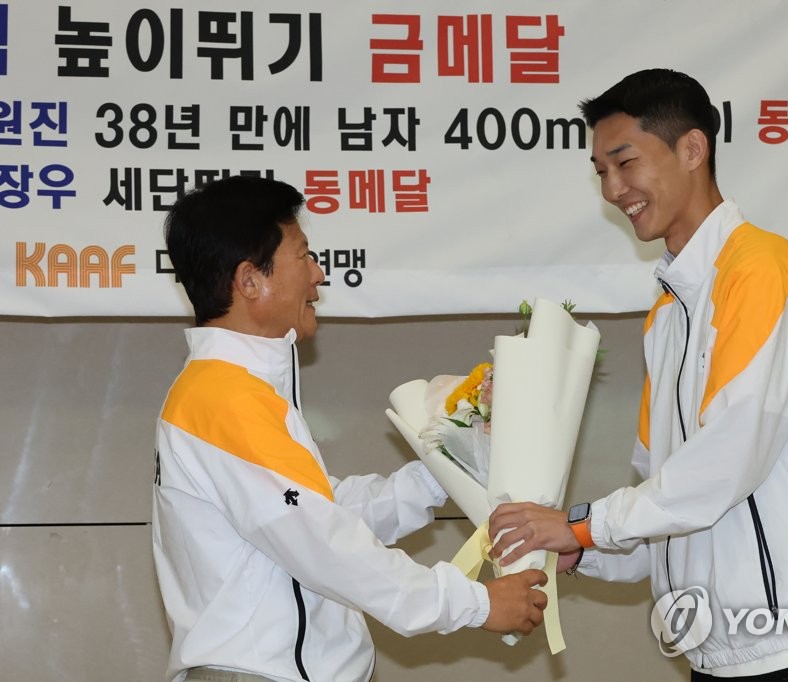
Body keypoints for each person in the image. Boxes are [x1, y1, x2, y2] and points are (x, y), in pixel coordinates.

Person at [489, 69, 788, 679]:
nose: (613, 189)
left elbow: (724, 466)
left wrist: (581, 524)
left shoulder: (760, 271)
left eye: (625, 163)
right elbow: (667, 500)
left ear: (692, 149)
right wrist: (579, 551)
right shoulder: (668, 314)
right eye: (601, 172)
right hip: (717, 655)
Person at [153, 175, 547, 682]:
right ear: (250, 281)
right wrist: (472, 603)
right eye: (304, 257)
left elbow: (324, 513)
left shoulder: (236, 390)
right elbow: (325, 544)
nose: (318, 275)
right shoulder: (223, 400)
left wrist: (445, 465)